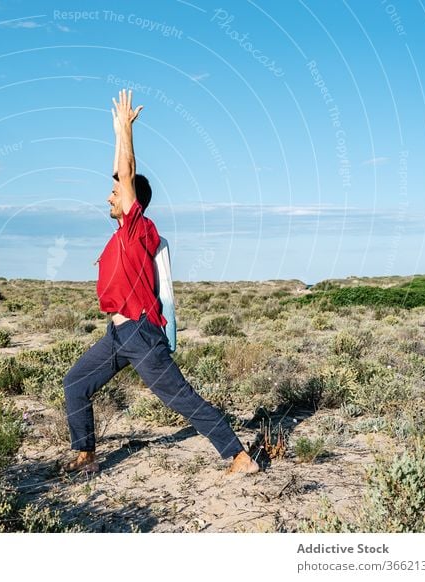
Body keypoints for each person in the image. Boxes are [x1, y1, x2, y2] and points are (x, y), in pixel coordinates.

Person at [62, 90, 258, 475]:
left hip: (141, 333)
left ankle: (238, 457)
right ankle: (86, 455)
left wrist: (123, 131)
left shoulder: (138, 228)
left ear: (133, 199)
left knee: (179, 397)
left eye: (115, 192)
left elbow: (127, 170)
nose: (109, 196)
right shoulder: (120, 236)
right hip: (117, 335)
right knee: (76, 383)